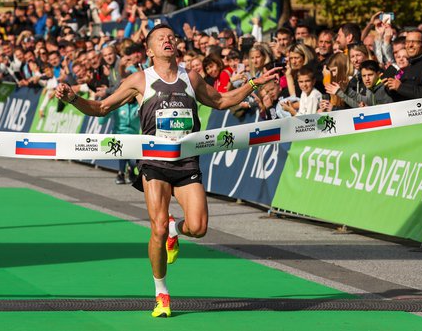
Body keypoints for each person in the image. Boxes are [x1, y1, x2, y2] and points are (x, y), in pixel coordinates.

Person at [55, 24, 278, 318]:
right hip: (154, 164)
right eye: (161, 38)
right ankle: (161, 291)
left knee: (198, 228)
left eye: (171, 37)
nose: (168, 41)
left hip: (186, 163)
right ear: (149, 50)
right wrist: (72, 99)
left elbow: (222, 101)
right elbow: (100, 108)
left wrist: (253, 84)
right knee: (156, 227)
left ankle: (176, 229)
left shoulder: (191, 77)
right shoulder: (138, 80)